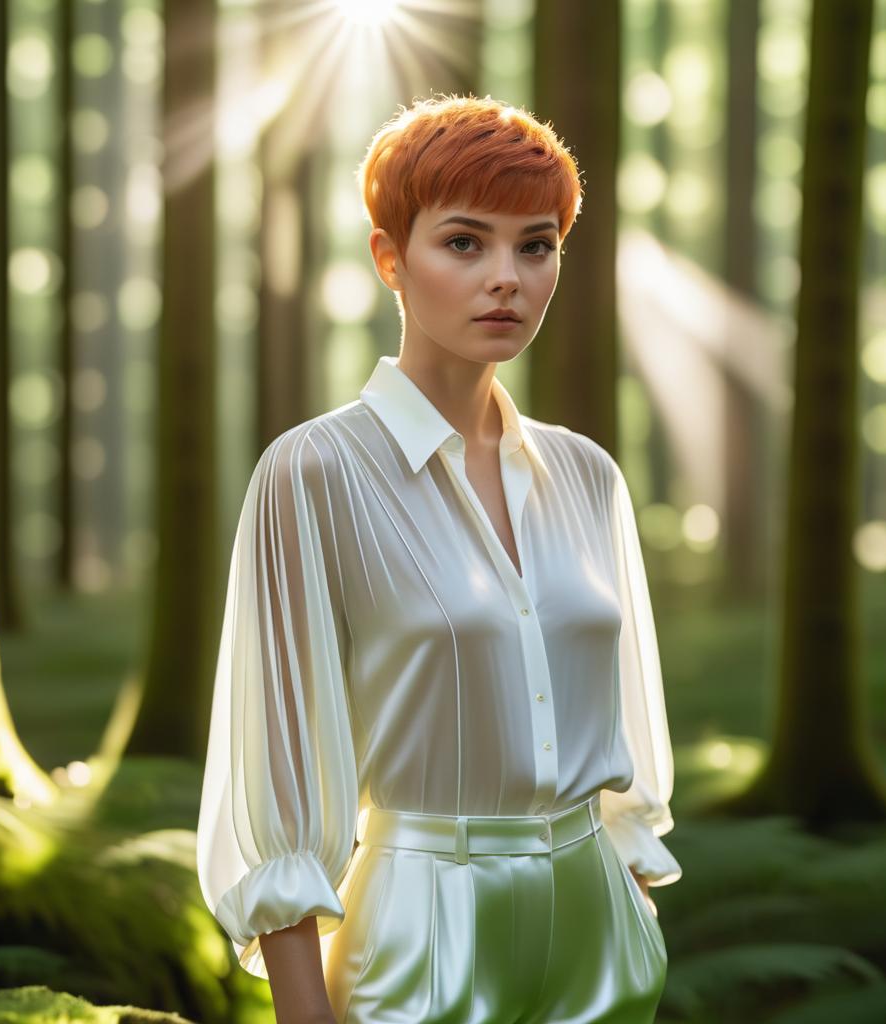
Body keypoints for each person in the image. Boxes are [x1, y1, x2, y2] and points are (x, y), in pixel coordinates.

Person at [196, 93, 682, 1024]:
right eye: (465, 242)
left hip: (601, 944)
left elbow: (629, 753)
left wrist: (634, 913)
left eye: (535, 246)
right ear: (390, 257)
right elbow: (278, 776)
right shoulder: (312, 472)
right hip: (420, 940)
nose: (507, 277)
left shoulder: (588, 475)